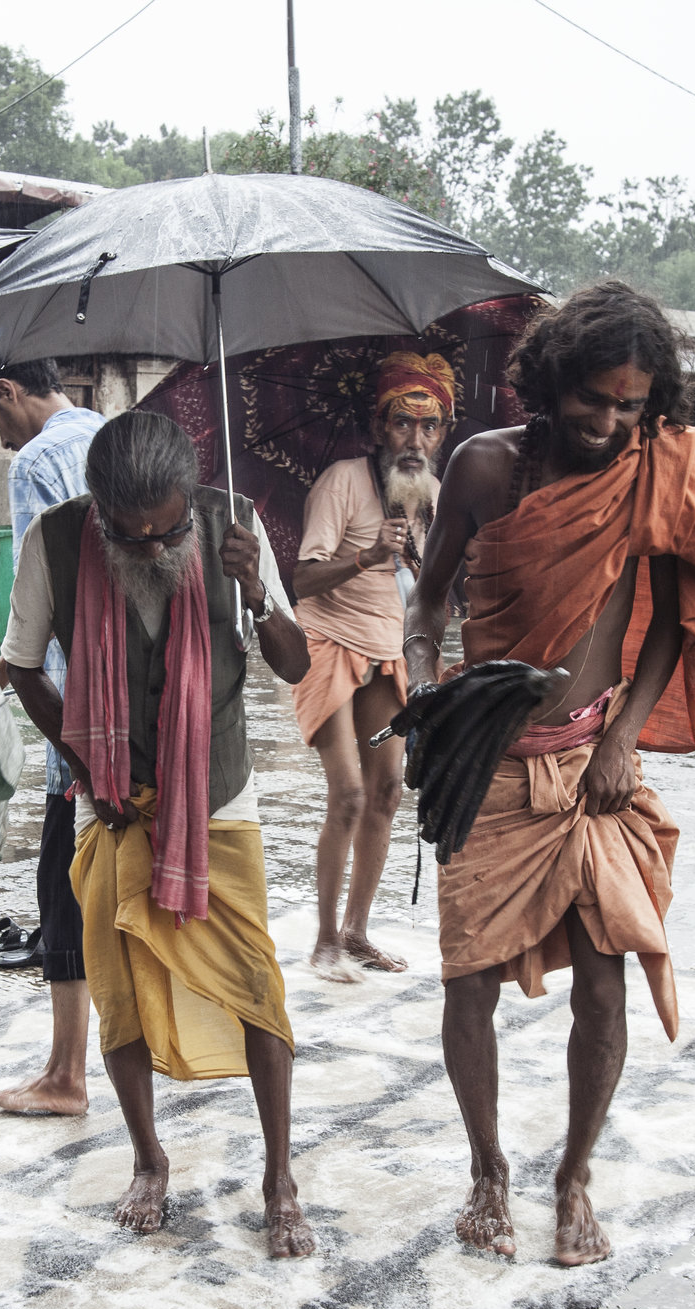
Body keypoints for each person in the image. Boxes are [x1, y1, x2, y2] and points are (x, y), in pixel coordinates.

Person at [401, 283, 695, 1268]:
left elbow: (676, 625)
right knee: (466, 980)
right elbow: (424, 612)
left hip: (593, 767)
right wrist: (426, 695)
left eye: (629, 406)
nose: (607, 423)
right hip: (485, 768)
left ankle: (572, 1178)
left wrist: (624, 737)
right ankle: (487, 1173)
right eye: (593, 399)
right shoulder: (483, 468)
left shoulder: (657, 479)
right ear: (551, 384)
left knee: (605, 983)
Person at [0, 410, 319, 1257]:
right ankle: (147, 1159)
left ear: (189, 502)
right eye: (128, 535)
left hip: (215, 793)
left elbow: (295, 664)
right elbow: (20, 668)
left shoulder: (236, 527)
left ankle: (280, 1179)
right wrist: (79, 755)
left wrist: (256, 591)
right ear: (97, 508)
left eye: (168, 531)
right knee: (120, 985)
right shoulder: (54, 540)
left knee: (257, 984)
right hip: (107, 799)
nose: (150, 550)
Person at [0, 353, 106, 1116]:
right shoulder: (119, 438)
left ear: (10, 392)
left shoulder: (39, 465)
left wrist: (8, 674)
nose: (4, 441)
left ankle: (65, 1075)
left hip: (73, 704)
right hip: (141, 704)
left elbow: (32, 604)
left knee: (63, 887)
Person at [292, 351, 453, 982]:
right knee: (350, 794)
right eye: (402, 424)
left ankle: (358, 932)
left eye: (429, 426)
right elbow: (302, 579)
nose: (415, 440)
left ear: (442, 434)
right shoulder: (340, 482)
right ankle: (325, 940)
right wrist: (364, 558)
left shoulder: (433, 497)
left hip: (390, 649)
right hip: (328, 641)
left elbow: (434, 596)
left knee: (388, 792)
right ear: (378, 428)